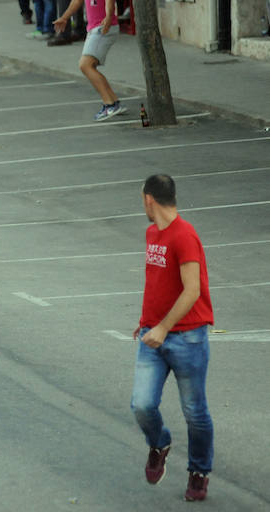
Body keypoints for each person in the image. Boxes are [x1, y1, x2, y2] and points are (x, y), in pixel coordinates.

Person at [131, 175, 214, 502]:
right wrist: (145, 322)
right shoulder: (152, 233)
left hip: (187, 338)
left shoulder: (184, 235)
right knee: (142, 405)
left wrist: (163, 327)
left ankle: (199, 472)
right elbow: (156, 282)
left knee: (195, 411)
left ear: (149, 199)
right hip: (152, 334)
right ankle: (159, 443)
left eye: (142, 199)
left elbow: (192, 291)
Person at [54, 0, 127, 121]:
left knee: (85, 65)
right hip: (95, 28)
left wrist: (109, 17)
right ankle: (113, 101)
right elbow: (77, 1)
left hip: (103, 27)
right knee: (88, 66)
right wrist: (64, 18)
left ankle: (110, 105)